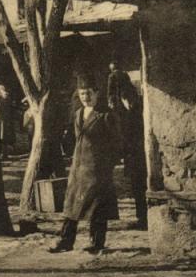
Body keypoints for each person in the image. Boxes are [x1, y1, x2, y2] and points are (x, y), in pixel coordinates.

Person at [49, 74, 121, 254]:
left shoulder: (106, 115)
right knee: (71, 204)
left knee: (97, 207)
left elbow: (117, 143)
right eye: (82, 94)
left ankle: (96, 243)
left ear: (97, 93)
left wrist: (106, 164)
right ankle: (66, 241)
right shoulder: (78, 114)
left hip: (97, 169)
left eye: (88, 93)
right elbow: (77, 139)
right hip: (79, 167)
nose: (85, 98)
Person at [107, 63, 147, 229]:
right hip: (134, 149)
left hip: (136, 148)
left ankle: (143, 217)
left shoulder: (126, 101)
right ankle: (142, 216)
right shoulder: (126, 101)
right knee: (138, 182)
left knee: (139, 182)